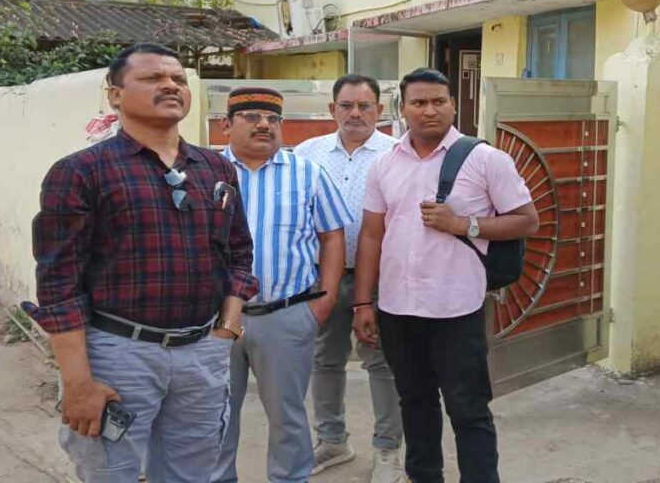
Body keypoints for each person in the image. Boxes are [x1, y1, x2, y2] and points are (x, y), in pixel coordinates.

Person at [32, 42, 258, 483]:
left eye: (178, 79)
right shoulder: (81, 172)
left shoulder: (216, 169)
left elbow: (238, 253)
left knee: (192, 474)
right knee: (110, 473)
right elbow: (59, 284)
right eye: (153, 78)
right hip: (118, 354)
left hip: (202, 351)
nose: (171, 85)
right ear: (116, 95)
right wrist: (78, 381)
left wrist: (226, 332)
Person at [351, 68, 539, 483]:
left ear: (454, 105)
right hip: (398, 309)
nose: (429, 110)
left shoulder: (486, 159)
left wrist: (462, 224)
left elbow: (527, 220)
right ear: (402, 109)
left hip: (457, 309)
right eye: (418, 102)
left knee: (468, 409)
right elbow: (371, 235)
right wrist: (363, 302)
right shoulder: (383, 165)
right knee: (415, 403)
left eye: (439, 101)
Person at [211, 87, 350, 483]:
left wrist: (322, 303)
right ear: (226, 125)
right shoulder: (206, 173)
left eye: (273, 119)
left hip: (286, 316)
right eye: (252, 117)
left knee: (287, 415)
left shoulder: (307, 173)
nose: (264, 125)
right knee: (215, 414)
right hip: (215, 320)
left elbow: (332, 236)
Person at [294, 74, 405, 482]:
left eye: (364, 105)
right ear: (332, 109)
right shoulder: (308, 153)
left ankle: (387, 450)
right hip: (321, 277)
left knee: (382, 362)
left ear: (380, 110)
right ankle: (332, 441)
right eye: (346, 105)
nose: (355, 113)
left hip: (378, 279)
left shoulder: (398, 154)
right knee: (324, 360)